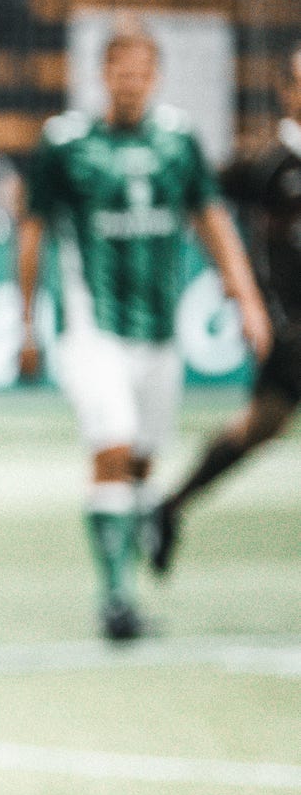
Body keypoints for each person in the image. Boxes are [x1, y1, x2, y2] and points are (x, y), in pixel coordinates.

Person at [18, 22, 270, 639]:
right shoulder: (66, 144)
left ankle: (131, 565)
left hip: (160, 331)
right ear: (103, 73)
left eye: (141, 72)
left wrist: (246, 299)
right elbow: (32, 232)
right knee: (113, 443)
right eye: (121, 71)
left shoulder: (179, 142)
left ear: (155, 76)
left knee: (140, 463)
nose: (131, 82)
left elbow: (211, 220)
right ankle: (116, 599)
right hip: (91, 328)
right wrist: (25, 321)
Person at [148, 45, 301, 574]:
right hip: (290, 330)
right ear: (287, 92)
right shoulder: (268, 163)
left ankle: (169, 506)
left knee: (262, 426)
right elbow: (201, 202)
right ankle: (168, 507)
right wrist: (241, 288)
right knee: (261, 426)